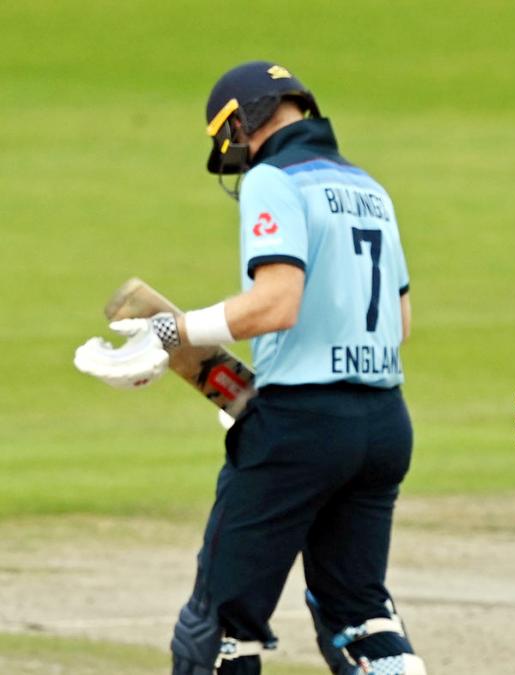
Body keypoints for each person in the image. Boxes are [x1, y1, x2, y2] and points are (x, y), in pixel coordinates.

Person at [74, 61, 425, 675]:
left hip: (299, 427)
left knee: (219, 633)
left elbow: (277, 302)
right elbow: (398, 325)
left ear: (241, 121)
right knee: (361, 620)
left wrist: (170, 333)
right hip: (384, 426)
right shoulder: (370, 187)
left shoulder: (274, 177)